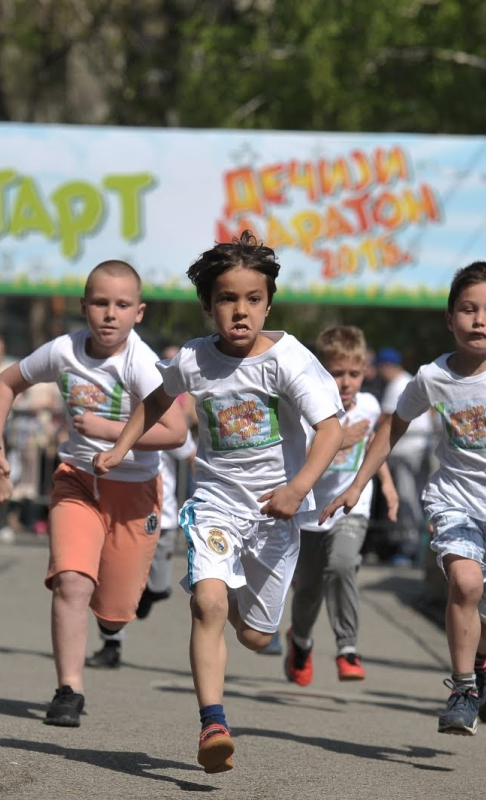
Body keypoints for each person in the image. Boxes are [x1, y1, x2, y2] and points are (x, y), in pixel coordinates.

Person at [93, 232, 344, 773]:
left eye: (253, 299)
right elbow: (154, 402)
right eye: (227, 299)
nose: (240, 311)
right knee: (205, 601)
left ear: (269, 303)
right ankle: (213, 723)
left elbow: (329, 429)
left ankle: (241, 600)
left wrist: (297, 488)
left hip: (275, 510)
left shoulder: (288, 360)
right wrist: (119, 448)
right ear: (208, 306)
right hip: (215, 502)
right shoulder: (193, 359)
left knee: (255, 636)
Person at [329, 261, 486, 736]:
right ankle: (463, 688)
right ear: (449, 319)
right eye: (467, 309)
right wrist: (360, 482)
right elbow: (393, 425)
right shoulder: (433, 376)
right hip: (454, 499)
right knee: (465, 585)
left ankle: (483, 664)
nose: (479, 320)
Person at [0, 260, 187, 728]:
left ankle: (116, 616)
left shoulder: (142, 365)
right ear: (84, 307)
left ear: (139, 313)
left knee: (115, 613)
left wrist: (110, 429)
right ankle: (69, 689)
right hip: (77, 481)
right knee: (71, 581)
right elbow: (7, 383)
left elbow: (175, 432)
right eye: (101, 303)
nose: (111, 314)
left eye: (123, 305)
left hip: (133, 492)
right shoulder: (63, 350)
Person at [284, 326, 398, 687]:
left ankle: (347, 647)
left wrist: (388, 487)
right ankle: (300, 642)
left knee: (343, 564)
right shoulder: (307, 409)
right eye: (337, 373)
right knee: (308, 590)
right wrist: (334, 439)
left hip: (352, 506)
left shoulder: (370, 405)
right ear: (321, 371)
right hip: (309, 513)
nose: (346, 382)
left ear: (365, 371)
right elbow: (292, 458)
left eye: (354, 373)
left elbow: (374, 452)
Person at [85, 427, 196, 669]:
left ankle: (147, 595)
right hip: (118, 508)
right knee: (109, 576)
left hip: (160, 515)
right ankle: (111, 644)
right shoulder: (112, 419)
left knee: (157, 587)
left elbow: (190, 454)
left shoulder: (164, 421)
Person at [376, 346, 434, 565]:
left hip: (406, 451)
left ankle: (411, 548)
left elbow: (385, 420)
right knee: (417, 498)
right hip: (419, 448)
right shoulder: (410, 380)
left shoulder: (396, 384)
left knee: (407, 499)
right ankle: (417, 547)